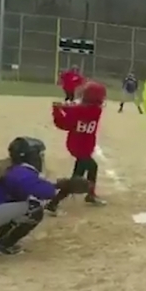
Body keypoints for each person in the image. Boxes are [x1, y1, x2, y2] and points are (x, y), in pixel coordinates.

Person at [46, 81, 107, 216]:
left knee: (86, 170)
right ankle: (53, 203)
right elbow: (77, 113)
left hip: (78, 145)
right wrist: (65, 108)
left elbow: (63, 123)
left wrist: (57, 110)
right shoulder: (95, 109)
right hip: (82, 147)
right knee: (78, 177)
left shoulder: (83, 110)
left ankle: (89, 195)